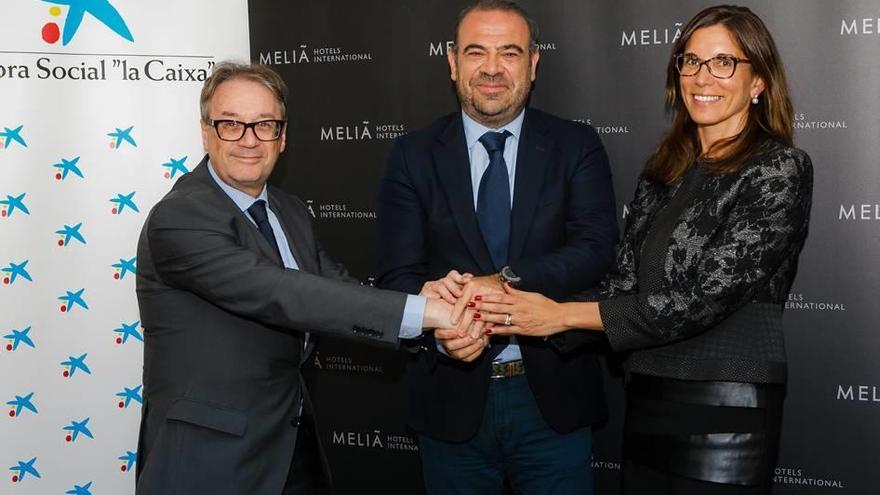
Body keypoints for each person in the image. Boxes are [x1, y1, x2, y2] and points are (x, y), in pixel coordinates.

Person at [471, 5, 812, 494]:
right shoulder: (663, 175)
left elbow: (702, 299)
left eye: (724, 63)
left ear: (757, 81)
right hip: (649, 402)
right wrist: (513, 304)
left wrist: (560, 317)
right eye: (690, 62)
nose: (702, 77)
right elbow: (620, 285)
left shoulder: (780, 169)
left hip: (726, 409)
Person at [134, 62, 465, 495]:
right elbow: (280, 292)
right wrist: (426, 312)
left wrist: (429, 313)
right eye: (231, 124)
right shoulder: (179, 218)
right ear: (206, 132)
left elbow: (337, 292)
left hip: (291, 447)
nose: (249, 139)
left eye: (265, 125)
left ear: (283, 135)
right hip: (208, 461)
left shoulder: (291, 211)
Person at [375, 1, 618, 493]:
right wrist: (440, 334)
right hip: (449, 399)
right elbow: (396, 277)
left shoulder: (576, 146)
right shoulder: (412, 156)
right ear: (451, 62)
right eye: (475, 52)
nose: (491, 68)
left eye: (509, 52)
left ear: (532, 63)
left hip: (552, 399)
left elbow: (596, 250)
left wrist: (502, 282)